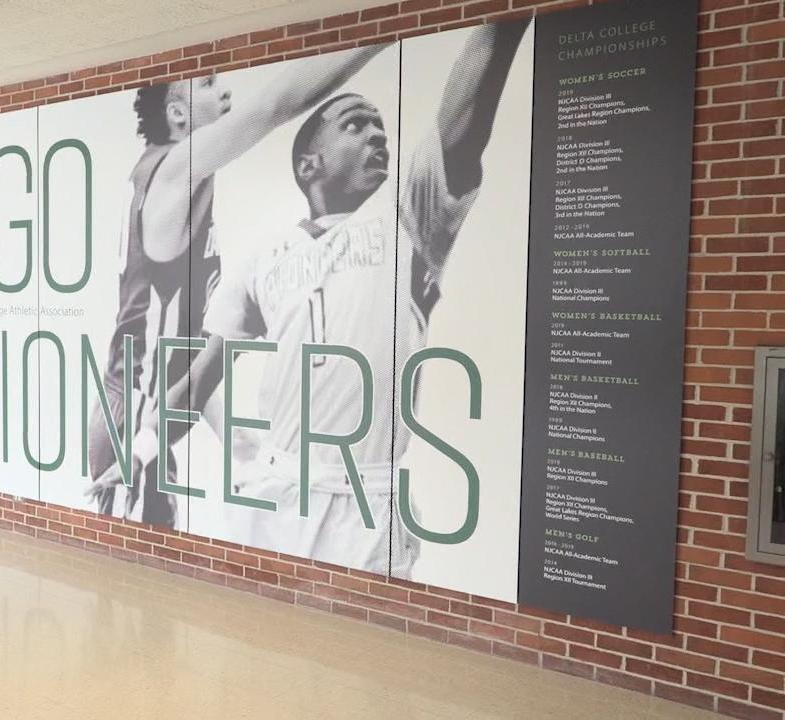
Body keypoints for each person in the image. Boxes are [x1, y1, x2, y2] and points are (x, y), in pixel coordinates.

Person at [92, 21, 530, 572]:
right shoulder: (250, 245)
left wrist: (506, 23)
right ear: (309, 165)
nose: (379, 137)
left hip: (361, 500)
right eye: (356, 125)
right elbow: (201, 373)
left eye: (381, 129)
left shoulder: (409, 220)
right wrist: (139, 449)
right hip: (237, 473)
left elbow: (462, 128)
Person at [86, 44, 390, 525]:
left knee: (145, 573)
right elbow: (273, 106)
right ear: (178, 113)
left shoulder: (182, 186)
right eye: (208, 83)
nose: (225, 89)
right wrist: (381, 32)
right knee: (132, 582)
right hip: (134, 413)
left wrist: (238, 441)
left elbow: (186, 351)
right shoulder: (169, 171)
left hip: (144, 410)